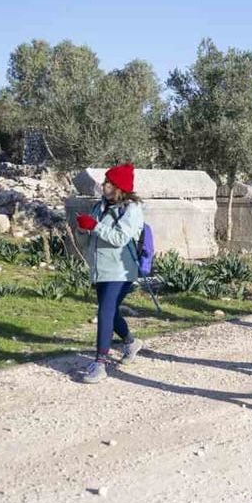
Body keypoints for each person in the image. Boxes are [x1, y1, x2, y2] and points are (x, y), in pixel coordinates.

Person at [73, 163, 145, 384]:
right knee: (110, 313)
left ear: (119, 187)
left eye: (108, 183)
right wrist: (82, 229)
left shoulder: (131, 209)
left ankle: (100, 364)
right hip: (100, 269)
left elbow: (119, 238)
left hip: (121, 270)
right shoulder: (99, 207)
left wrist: (94, 226)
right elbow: (87, 242)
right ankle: (131, 342)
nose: (103, 185)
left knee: (104, 312)